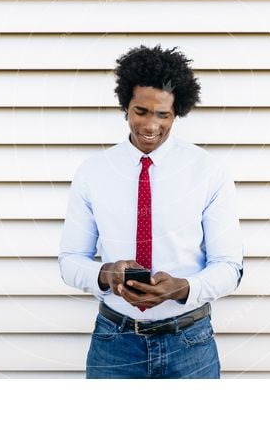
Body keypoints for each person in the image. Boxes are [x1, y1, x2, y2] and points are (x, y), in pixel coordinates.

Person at [58, 44, 244, 379]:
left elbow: (230, 267)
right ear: (125, 107)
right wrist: (105, 274)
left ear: (177, 113)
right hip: (114, 342)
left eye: (163, 115)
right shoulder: (94, 172)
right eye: (141, 111)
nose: (151, 125)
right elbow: (70, 260)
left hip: (189, 343)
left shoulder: (208, 172)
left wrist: (183, 287)